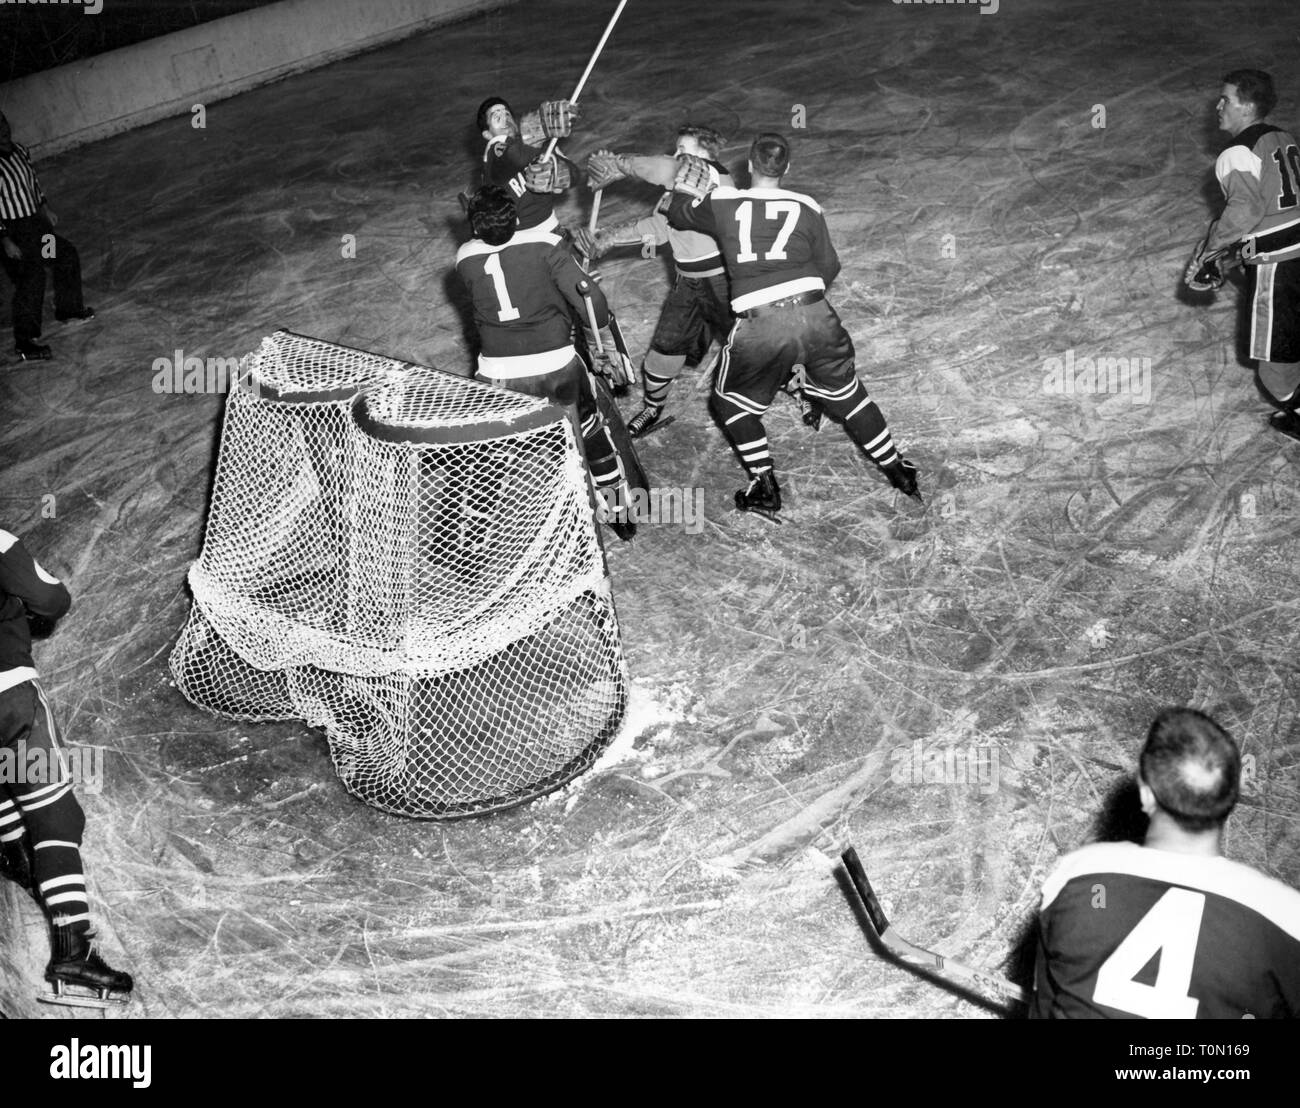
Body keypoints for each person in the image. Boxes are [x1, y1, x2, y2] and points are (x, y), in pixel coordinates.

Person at [665, 132, 920, 519]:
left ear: (748, 165)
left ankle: (765, 487)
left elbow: (678, 212)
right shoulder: (807, 205)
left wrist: (684, 188)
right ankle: (899, 472)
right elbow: (830, 266)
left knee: (728, 402)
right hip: (816, 316)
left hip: (761, 324)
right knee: (849, 396)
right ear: (787, 168)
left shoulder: (724, 201)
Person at [1031, 708, 1300, 1019]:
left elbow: (1046, 1003)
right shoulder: (1285, 917)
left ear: (1146, 792)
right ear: (1233, 793)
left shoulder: (1079, 878)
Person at [455, 185, 635, 540]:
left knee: (490, 449)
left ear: (475, 227)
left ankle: (471, 534)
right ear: (517, 217)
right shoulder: (547, 246)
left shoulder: (464, 257)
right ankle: (621, 514)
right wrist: (600, 337)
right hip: (556, 366)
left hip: (499, 375)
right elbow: (590, 301)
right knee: (591, 433)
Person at [0, 526, 133, 1007]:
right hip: (6, 698)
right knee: (57, 815)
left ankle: (15, 853)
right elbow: (52, 600)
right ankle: (72, 953)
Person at [578, 125, 736, 438]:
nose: (678, 155)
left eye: (685, 149)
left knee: (752, 347)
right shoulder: (678, 191)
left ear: (706, 154)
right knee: (663, 351)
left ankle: (801, 386)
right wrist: (610, 238)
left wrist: (621, 164)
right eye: (677, 148)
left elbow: (666, 167)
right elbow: (659, 229)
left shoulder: (716, 177)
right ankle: (653, 406)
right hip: (687, 284)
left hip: (723, 282)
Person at [1183, 71, 1300, 441]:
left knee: (1273, 368)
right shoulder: (1282, 137)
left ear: (1247, 107)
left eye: (1226, 100)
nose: (1218, 106)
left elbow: (1244, 212)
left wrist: (1208, 253)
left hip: (1277, 270)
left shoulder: (1236, 152)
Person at [0, 111, 95, 363]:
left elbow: (34, 184)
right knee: (31, 277)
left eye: (3, 122)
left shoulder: (20, 151)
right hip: (12, 232)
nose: (2, 129)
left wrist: (45, 208)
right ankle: (25, 343)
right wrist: (5, 240)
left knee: (63, 254)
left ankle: (68, 309)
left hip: (35, 225)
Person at [476, 95, 580, 234]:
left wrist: (563, 172)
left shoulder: (542, 145)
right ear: (487, 134)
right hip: (515, 239)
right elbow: (516, 156)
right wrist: (538, 131)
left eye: (507, 113)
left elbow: (575, 174)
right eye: (497, 117)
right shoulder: (494, 151)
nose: (504, 118)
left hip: (550, 229)